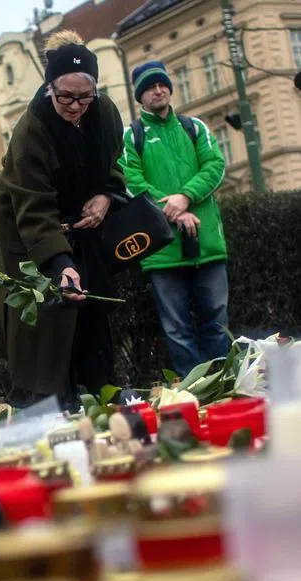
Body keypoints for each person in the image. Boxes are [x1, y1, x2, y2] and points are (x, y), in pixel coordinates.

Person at [0, 30, 127, 406]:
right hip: (29, 227)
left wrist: (106, 196)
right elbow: (32, 206)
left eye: (85, 97)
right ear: (50, 88)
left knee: (92, 308)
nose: (75, 105)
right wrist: (60, 262)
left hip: (82, 223)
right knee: (50, 313)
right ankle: (50, 403)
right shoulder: (30, 130)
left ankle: (103, 392)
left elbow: (114, 167)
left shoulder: (106, 113)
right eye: (65, 96)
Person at [120, 60, 230, 377]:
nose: (158, 90)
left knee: (217, 320)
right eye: (150, 87)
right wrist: (173, 209)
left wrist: (185, 196)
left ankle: (225, 381)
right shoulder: (132, 136)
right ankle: (196, 389)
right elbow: (130, 181)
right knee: (176, 328)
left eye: (162, 84)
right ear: (140, 96)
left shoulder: (195, 127)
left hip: (207, 242)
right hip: (163, 251)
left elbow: (214, 166)